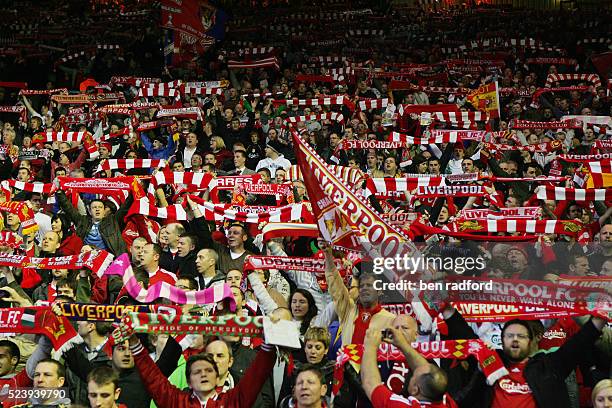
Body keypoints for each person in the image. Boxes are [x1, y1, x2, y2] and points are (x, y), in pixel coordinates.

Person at [441, 305, 606, 407]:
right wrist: (442, 304)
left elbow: (581, 342)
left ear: (531, 341)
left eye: (521, 336)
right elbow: (464, 332)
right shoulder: (490, 361)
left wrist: (602, 313)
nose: (515, 339)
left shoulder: (549, 366)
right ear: (502, 340)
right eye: (509, 336)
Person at [362, 327, 457, 408]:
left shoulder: (402, 406)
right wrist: (403, 345)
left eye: (413, 375)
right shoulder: (447, 402)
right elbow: (424, 369)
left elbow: (370, 384)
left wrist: (370, 346)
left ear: (415, 390)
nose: (414, 369)